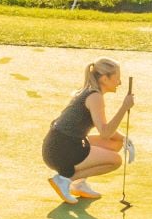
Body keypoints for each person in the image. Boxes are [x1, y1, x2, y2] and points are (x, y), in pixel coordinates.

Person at [44, 58, 132, 204]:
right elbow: (105, 132)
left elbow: (105, 129)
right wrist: (124, 107)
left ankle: (79, 185)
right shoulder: (95, 97)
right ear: (104, 78)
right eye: (117, 78)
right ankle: (65, 180)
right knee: (115, 161)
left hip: (57, 145)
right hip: (62, 149)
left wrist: (124, 139)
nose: (120, 83)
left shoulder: (90, 92)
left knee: (116, 143)